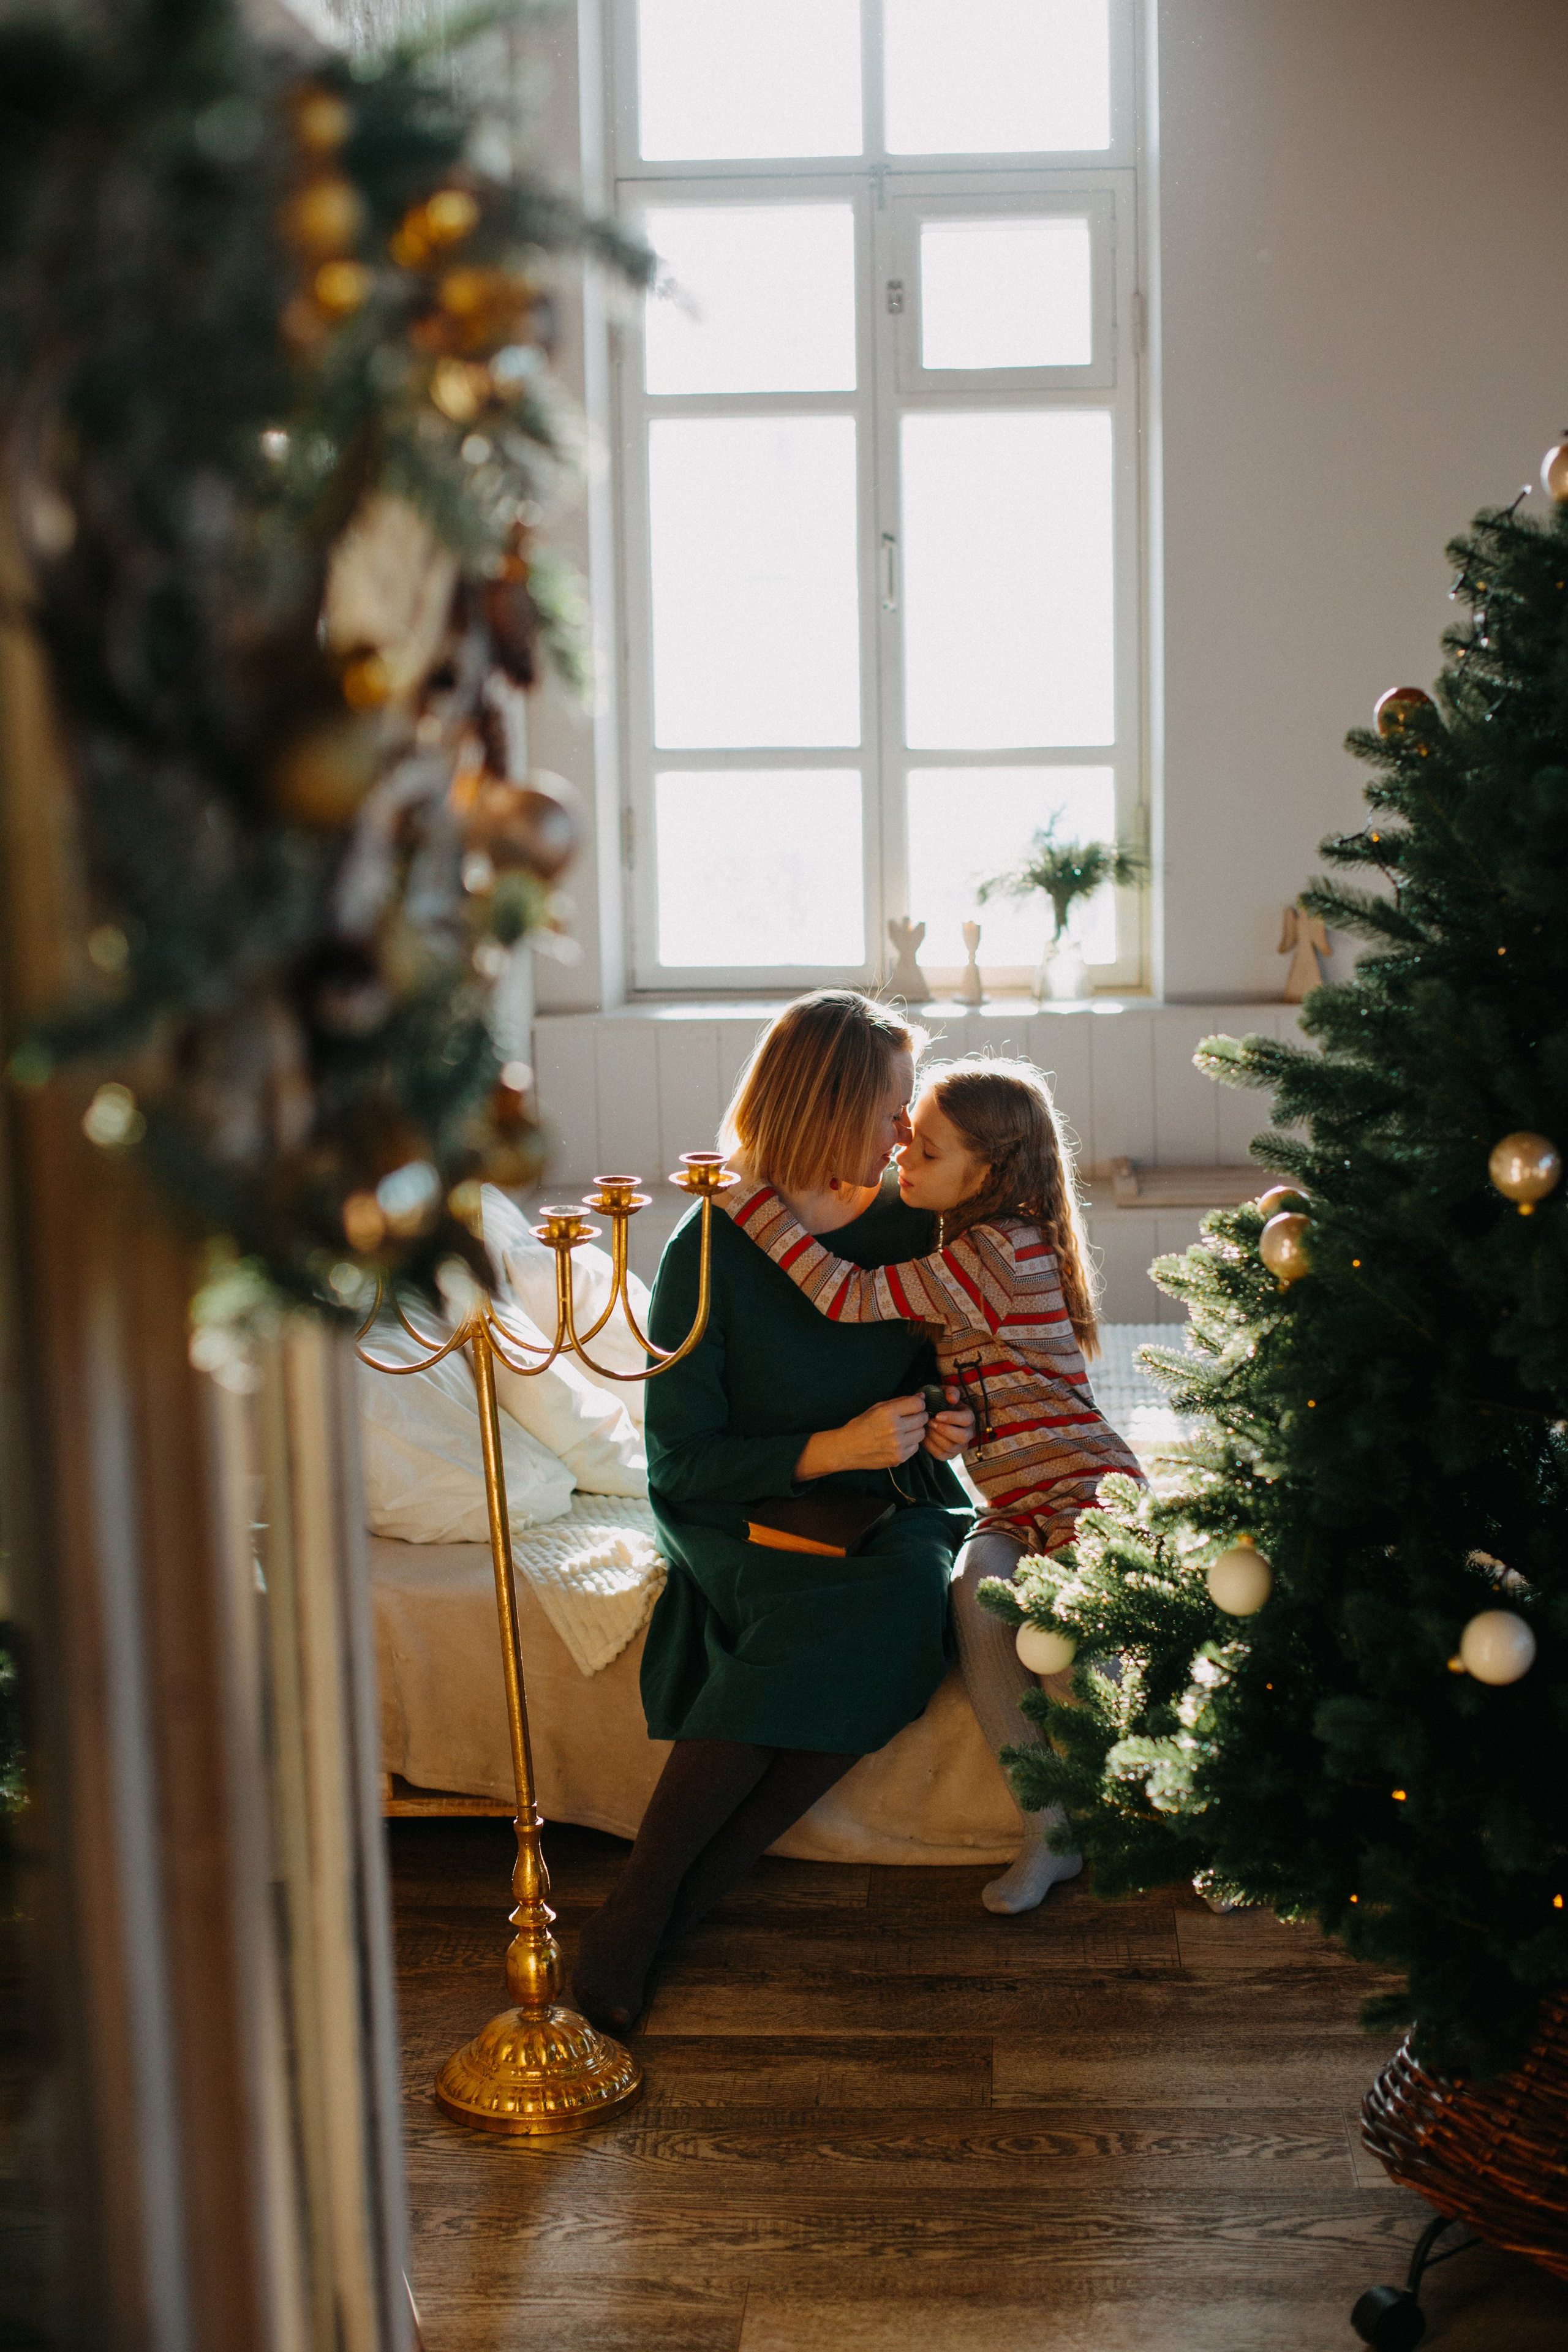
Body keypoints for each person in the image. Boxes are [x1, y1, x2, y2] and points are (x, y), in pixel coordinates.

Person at [570, 991, 975, 2033]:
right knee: (807, 1609)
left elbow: (961, 1374)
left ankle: (654, 1911)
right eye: (892, 1105)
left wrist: (946, 1420)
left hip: (890, 1501)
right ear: (832, 1103)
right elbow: (682, 1459)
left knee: (895, 1596)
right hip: (741, 1502)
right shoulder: (709, 1247)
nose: (906, 1130)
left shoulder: (921, 1227)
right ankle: (648, 1911)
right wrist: (826, 1448)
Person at [718, 1055, 1144, 1916]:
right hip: (1014, 1502)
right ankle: (1049, 1832)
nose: (902, 1161)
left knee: (1076, 1659)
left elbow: (843, 1295)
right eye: (906, 1141)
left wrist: (752, 1204)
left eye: (927, 1151)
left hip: (1082, 1489)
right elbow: (998, 1372)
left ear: (988, 1171)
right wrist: (956, 1415)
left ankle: (1178, 1817)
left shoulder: (996, 1250)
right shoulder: (964, 1241)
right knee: (976, 1599)